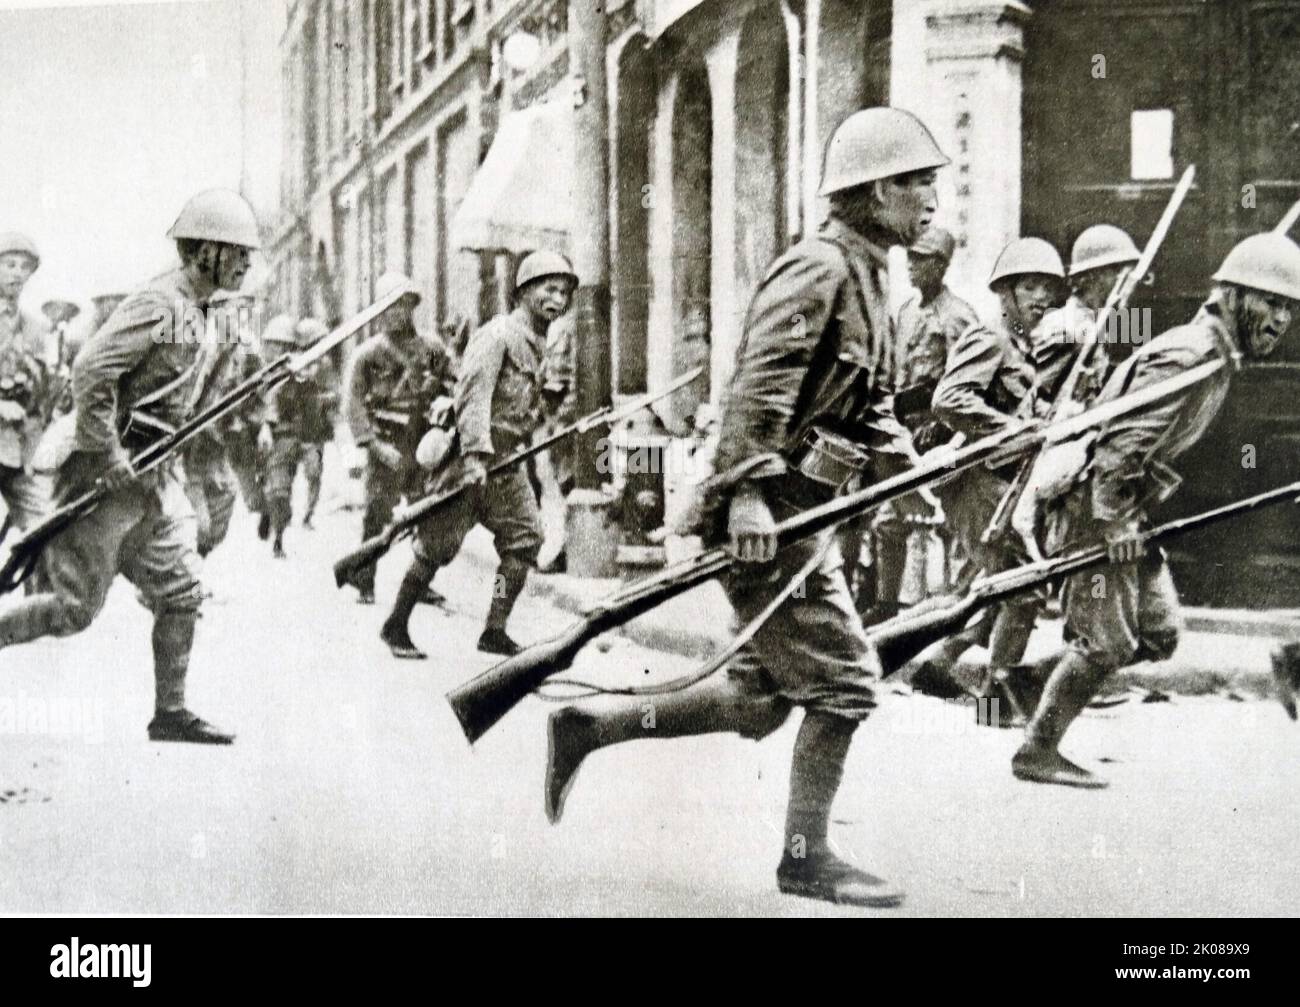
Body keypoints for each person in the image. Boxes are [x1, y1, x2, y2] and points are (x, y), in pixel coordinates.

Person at [542, 108, 948, 908]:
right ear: (871, 193)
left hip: (808, 518)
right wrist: (750, 497)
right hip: (771, 521)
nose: (930, 200)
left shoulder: (871, 273)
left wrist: (911, 465)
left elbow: (867, 403)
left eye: (931, 182)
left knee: (761, 702)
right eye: (915, 183)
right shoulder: (820, 268)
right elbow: (759, 389)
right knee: (847, 687)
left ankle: (588, 727)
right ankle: (806, 857)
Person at [1013, 232, 1300, 787]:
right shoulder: (1190, 353)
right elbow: (1122, 443)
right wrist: (1117, 521)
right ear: (1234, 297)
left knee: (1161, 632)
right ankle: (1037, 748)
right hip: (1091, 508)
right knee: (1108, 643)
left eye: (1288, 309)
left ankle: (1031, 683)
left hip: (1123, 507)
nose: (1279, 320)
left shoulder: (1214, 354)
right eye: (1270, 303)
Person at [0, 188, 264, 744]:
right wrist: (109, 453)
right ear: (204, 252)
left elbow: (185, 399)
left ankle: (170, 712)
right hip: (104, 476)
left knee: (181, 594)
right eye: (237, 251)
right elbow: (91, 371)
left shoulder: (200, 310)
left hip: (151, 478)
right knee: (73, 610)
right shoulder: (159, 303)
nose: (246, 262)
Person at [379, 251, 576, 659]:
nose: (557, 299)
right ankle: (395, 624)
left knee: (525, 541)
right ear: (523, 291)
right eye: (548, 289)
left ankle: (494, 630)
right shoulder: (498, 334)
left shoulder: (539, 342)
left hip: (508, 462)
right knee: (436, 546)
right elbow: (473, 397)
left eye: (563, 292)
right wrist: (474, 458)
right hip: (473, 459)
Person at [912, 237, 1065, 710]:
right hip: (975, 481)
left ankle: (938, 665)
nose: (1042, 299)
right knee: (1024, 590)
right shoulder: (991, 337)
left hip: (999, 482)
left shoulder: (1025, 346)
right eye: (1032, 288)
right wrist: (1013, 429)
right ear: (1007, 293)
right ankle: (998, 701)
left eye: (1047, 290)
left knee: (1001, 587)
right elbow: (950, 399)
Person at [857, 225, 978, 624]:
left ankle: (948, 606)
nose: (911, 267)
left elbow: (968, 381)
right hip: (905, 428)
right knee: (890, 519)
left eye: (921, 260)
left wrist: (943, 426)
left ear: (941, 266)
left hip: (941, 432)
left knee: (944, 523)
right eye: (909, 259)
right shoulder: (906, 312)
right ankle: (887, 604)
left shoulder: (960, 317)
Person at [342, 272, 453, 604]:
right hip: (386, 445)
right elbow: (353, 404)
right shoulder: (368, 354)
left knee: (427, 516)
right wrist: (375, 446)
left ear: (411, 308)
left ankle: (421, 580)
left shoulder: (432, 349)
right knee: (377, 515)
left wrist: (443, 407)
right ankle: (363, 580)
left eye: (401, 306)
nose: (394, 314)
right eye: (387, 307)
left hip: (423, 445)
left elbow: (454, 384)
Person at [1033, 224, 1143, 402]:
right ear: (1091, 277)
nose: (1128, 285)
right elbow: (1035, 402)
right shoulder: (1063, 329)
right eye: (1118, 273)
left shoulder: (1096, 327)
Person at [263, 317, 338, 556]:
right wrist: (267, 424)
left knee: (314, 473)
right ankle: (278, 537)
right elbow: (270, 399)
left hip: (310, 435)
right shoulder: (282, 369)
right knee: (280, 492)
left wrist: (322, 397)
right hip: (284, 435)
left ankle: (306, 515)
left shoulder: (320, 366)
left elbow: (332, 394)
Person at [0, 232, 55, 532]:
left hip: (20, 451)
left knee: (48, 529)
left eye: (24, 267)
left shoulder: (36, 328)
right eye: (9, 265)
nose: (18, 273)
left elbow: (43, 393)